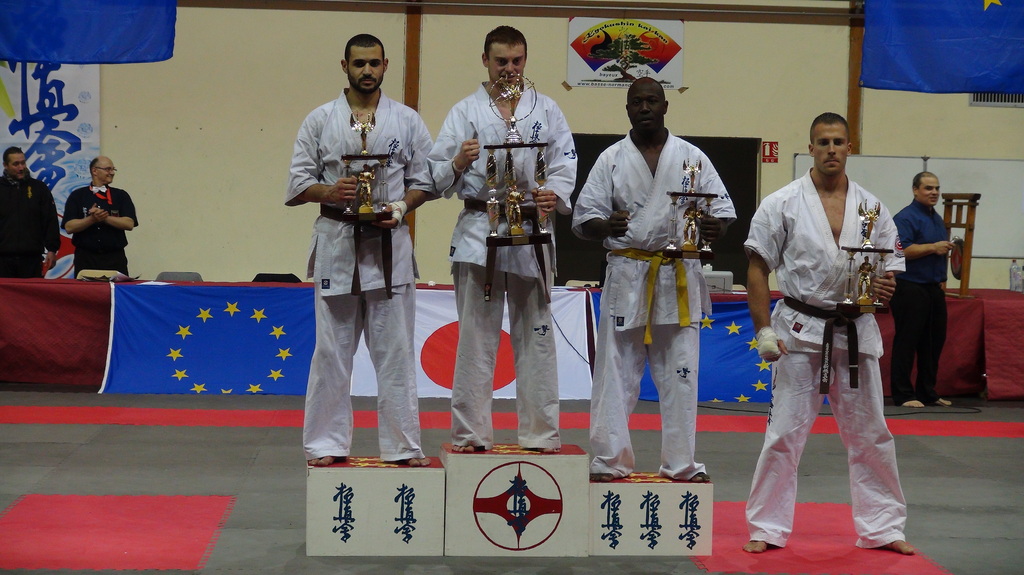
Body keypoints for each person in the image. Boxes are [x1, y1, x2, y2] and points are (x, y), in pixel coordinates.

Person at [742, 112, 915, 555]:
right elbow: (757, 268)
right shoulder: (782, 202)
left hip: (856, 329)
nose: (831, 149)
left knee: (872, 434)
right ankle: (766, 526)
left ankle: (883, 527)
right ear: (811, 148)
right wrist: (763, 330)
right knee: (784, 433)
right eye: (823, 142)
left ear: (849, 147)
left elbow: (889, 272)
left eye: (838, 141)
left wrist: (885, 288)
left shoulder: (872, 207)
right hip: (800, 330)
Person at [572, 78, 734, 482]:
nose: (644, 107)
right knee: (615, 372)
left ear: (665, 106)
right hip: (628, 274)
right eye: (636, 102)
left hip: (678, 276)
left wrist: (715, 228)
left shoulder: (692, 157)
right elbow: (584, 219)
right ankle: (610, 460)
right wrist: (605, 225)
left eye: (651, 101)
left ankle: (681, 464)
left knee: (681, 373)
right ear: (627, 108)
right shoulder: (611, 159)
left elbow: (723, 213)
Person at [287, 34, 434, 468]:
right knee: (331, 352)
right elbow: (298, 184)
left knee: (396, 353)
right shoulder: (320, 120)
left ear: (385, 65)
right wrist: (329, 192)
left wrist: (401, 206)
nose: (366, 70)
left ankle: (403, 445)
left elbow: (426, 180)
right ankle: (325, 443)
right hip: (337, 242)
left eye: (373, 63)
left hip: (390, 246)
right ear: (344, 66)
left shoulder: (406, 120)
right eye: (358, 63)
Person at [428, 25, 577, 453]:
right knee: (476, 340)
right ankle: (471, 434)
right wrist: (459, 161)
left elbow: (564, 163)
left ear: (525, 60)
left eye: (516, 60)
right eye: (500, 61)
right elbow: (435, 175)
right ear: (485, 61)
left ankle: (541, 433)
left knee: (537, 338)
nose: (509, 69)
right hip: (480, 231)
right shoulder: (465, 111)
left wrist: (554, 194)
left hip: (531, 231)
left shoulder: (546, 109)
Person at [890, 172, 953, 408]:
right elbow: (901, 251)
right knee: (907, 341)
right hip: (909, 287)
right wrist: (932, 247)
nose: (934, 192)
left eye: (936, 188)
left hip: (933, 288)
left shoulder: (936, 218)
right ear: (915, 190)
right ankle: (903, 394)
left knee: (933, 343)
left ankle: (927, 392)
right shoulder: (905, 218)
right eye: (928, 188)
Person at [61, 156, 138, 276]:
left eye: (113, 169)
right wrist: (91, 219)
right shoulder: (78, 196)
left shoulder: (121, 195)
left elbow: (129, 223)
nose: (112, 173)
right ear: (95, 171)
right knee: (85, 288)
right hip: (86, 258)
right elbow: (69, 227)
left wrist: (105, 218)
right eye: (108, 169)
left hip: (114, 258)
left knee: (116, 287)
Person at [0, 146, 60, 278]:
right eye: (16, 164)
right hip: (2, 258)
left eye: (23, 163)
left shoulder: (39, 188)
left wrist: (52, 249)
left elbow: (50, 220)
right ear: (5, 165)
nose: (21, 167)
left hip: (31, 258)